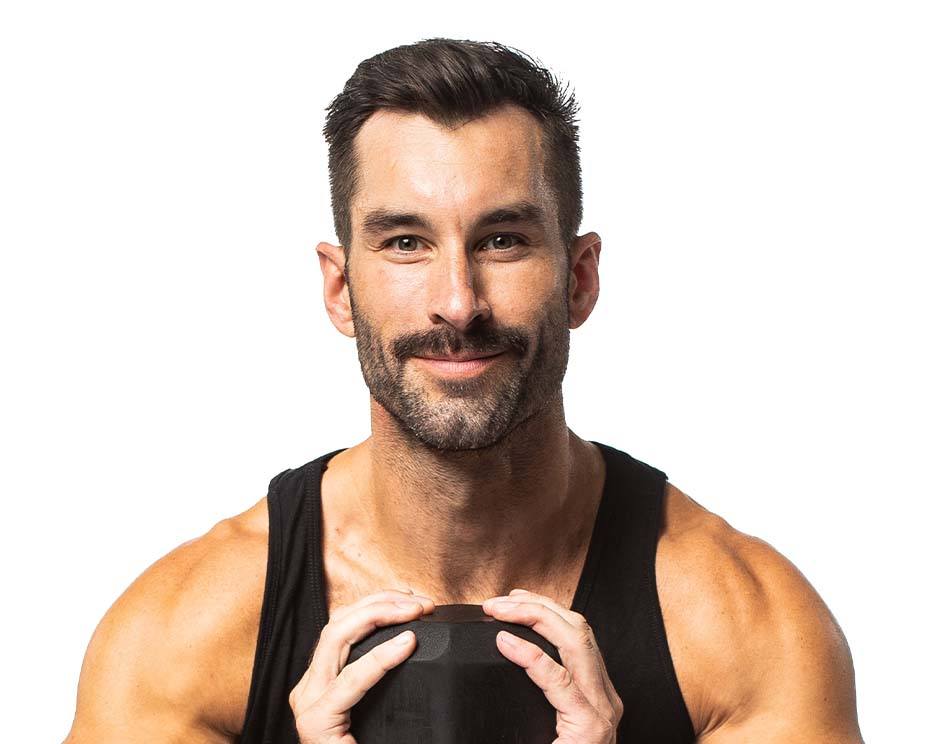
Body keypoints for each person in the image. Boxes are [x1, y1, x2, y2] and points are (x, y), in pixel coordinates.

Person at [64, 38, 863, 743]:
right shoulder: (182, 638)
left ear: (579, 279)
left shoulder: (743, 627)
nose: (458, 300)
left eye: (503, 240)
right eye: (406, 243)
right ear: (341, 288)